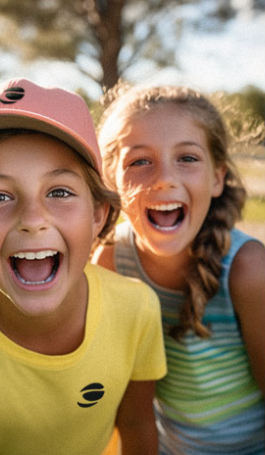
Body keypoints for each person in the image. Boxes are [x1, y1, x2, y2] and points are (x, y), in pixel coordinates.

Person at [0, 78, 167, 455]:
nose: (32, 219)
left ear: (98, 215)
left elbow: (137, 426)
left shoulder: (137, 309)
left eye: (59, 192)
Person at [92, 83, 265, 454]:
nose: (165, 177)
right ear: (110, 181)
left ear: (217, 177)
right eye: (139, 161)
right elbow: (131, 409)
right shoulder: (110, 262)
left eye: (187, 158)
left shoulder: (249, 270)